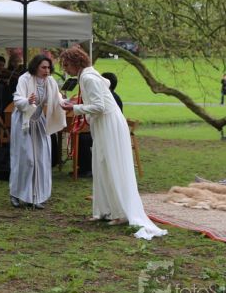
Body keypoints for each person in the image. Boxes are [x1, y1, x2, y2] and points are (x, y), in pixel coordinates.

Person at [59, 45, 166, 240]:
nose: (65, 69)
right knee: (100, 165)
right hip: (104, 123)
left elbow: (99, 106)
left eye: (66, 65)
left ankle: (120, 213)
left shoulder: (88, 77)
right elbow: (105, 85)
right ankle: (104, 210)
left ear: (76, 63)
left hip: (109, 123)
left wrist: (74, 108)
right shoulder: (88, 75)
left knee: (112, 165)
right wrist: (77, 104)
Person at [9, 54, 66, 209]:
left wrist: (66, 102)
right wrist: (27, 101)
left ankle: (35, 196)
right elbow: (17, 99)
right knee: (26, 159)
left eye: (48, 67)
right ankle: (16, 193)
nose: (47, 70)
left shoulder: (50, 81)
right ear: (36, 67)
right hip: (24, 121)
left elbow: (57, 98)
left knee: (41, 159)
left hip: (39, 121)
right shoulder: (25, 79)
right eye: (43, 67)